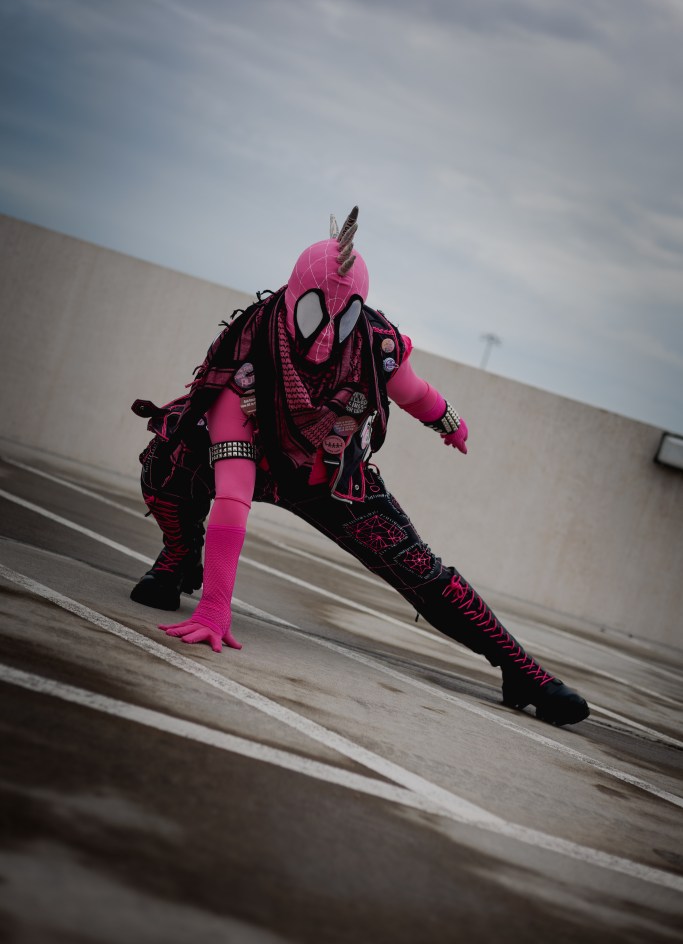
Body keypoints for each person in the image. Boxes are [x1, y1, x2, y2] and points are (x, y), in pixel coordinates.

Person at [130, 207, 589, 727]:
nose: (326, 336)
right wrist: (214, 607)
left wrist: (449, 422)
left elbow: (413, 392)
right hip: (251, 457)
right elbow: (233, 496)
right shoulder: (247, 357)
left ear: (360, 310)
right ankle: (177, 559)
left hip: (330, 475)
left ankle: (521, 670)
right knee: (168, 463)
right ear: (290, 296)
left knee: (419, 568)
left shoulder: (375, 345)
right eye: (312, 314)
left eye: (343, 318)